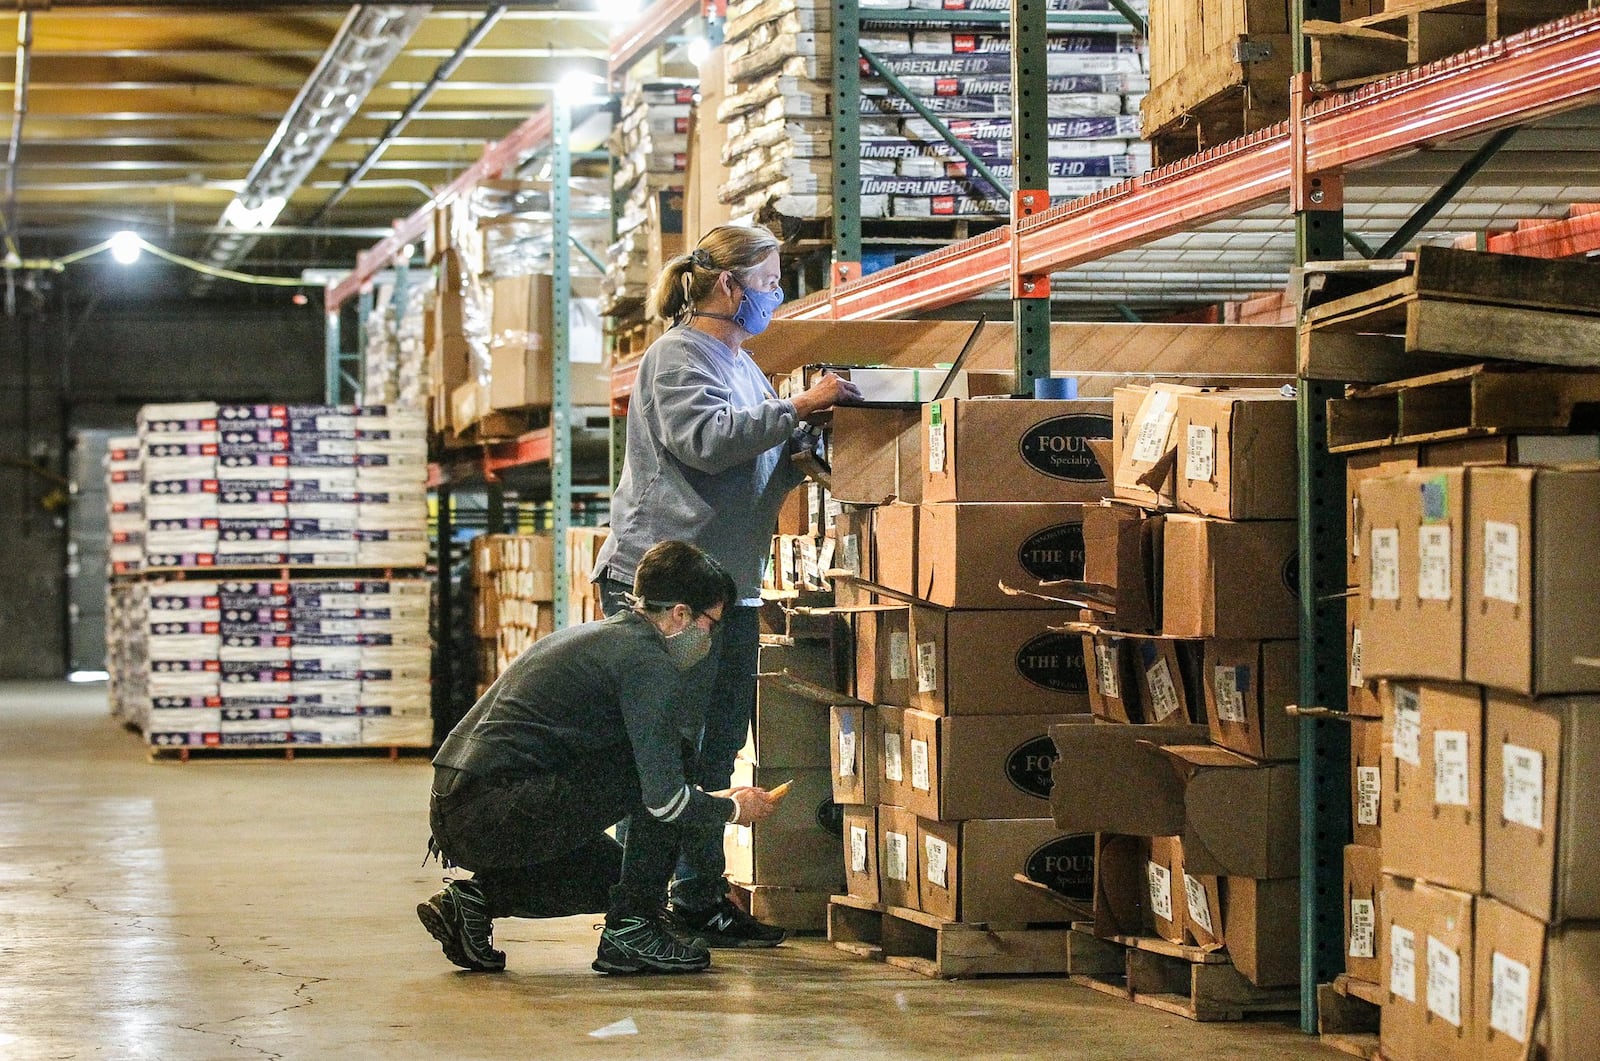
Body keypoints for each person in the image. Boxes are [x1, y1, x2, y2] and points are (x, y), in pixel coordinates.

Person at [592, 224, 859, 948]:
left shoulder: (743, 364)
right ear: (730, 285)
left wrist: (803, 443)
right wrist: (795, 411)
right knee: (667, 753)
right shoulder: (678, 356)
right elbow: (705, 441)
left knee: (714, 752)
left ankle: (697, 897)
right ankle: (634, 916)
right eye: (770, 279)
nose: (777, 293)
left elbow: (752, 456)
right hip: (665, 589)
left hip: (728, 584)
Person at [417, 540, 782, 976]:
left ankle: (473, 904)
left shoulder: (607, 638)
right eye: (711, 624)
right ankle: (634, 930)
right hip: (490, 808)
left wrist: (708, 800)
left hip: (467, 806)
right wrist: (735, 808)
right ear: (681, 614)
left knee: (616, 879)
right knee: (676, 760)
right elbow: (664, 799)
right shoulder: (647, 663)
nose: (709, 638)